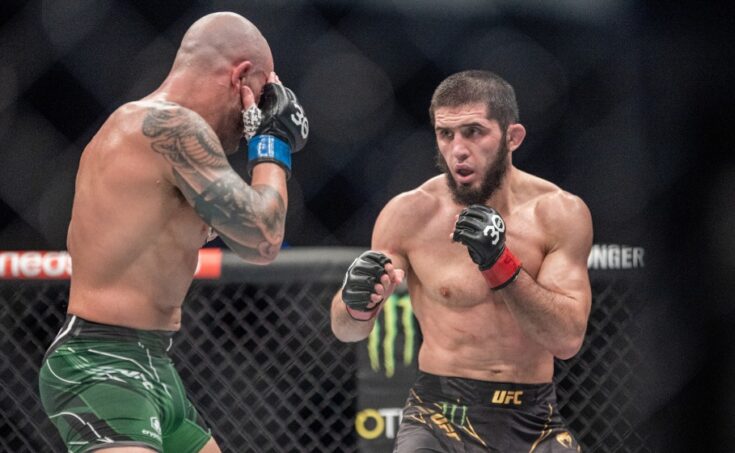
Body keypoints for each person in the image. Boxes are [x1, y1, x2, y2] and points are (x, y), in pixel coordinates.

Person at [38, 12, 308, 453]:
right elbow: (264, 238)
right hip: (100, 362)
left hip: (154, 364)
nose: (254, 117)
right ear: (240, 76)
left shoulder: (147, 134)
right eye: (259, 98)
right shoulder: (170, 127)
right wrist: (272, 143)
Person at [331, 70, 592, 452]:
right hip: (438, 416)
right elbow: (347, 331)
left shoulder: (558, 214)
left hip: (534, 419)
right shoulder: (410, 214)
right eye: (445, 134)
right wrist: (354, 303)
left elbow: (566, 340)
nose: (457, 150)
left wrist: (500, 264)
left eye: (473, 132)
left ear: (512, 137)